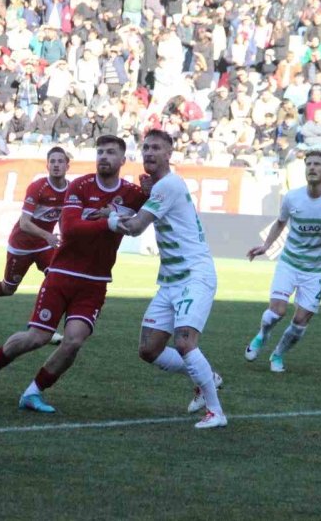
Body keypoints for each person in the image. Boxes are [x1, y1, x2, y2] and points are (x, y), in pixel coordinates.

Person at [0, 135, 145, 413]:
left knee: (73, 341)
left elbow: (156, 206)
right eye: (100, 152)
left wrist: (152, 189)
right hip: (62, 274)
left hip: (95, 282)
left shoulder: (132, 193)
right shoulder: (80, 186)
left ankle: (33, 392)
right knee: (36, 337)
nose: (104, 157)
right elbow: (71, 229)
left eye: (111, 152)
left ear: (123, 160)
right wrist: (109, 222)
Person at [114, 130, 226, 429]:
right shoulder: (162, 187)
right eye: (146, 148)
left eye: (156, 148)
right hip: (170, 280)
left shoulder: (169, 185)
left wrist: (109, 218)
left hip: (194, 275)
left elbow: (136, 227)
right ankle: (207, 378)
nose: (149, 153)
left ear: (169, 154)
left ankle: (216, 412)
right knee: (148, 349)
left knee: (185, 342)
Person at [243, 150, 321, 373]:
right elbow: (280, 223)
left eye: (317, 164)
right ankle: (263, 335)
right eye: (309, 164)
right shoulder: (292, 198)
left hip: (317, 271)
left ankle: (278, 355)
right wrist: (266, 246)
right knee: (276, 312)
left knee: (300, 321)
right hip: (290, 263)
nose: (312, 167)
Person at [0, 147, 69, 330]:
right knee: (8, 289)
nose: (56, 165)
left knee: (56, 279)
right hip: (22, 245)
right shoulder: (38, 187)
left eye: (60, 161)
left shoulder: (70, 190)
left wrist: (65, 237)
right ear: (47, 166)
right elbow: (24, 223)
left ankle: (43, 325)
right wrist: (48, 235)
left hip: (45, 246)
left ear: (67, 165)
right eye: (52, 161)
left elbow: (61, 215)